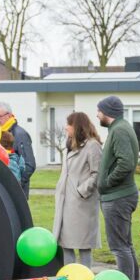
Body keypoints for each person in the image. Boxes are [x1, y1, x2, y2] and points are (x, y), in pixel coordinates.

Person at [96, 95, 140, 280]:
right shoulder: (118, 128)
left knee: (119, 248)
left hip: (118, 197)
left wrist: (106, 183)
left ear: (107, 112)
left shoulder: (120, 130)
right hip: (119, 196)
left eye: (99, 110)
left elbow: (126, 163)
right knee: (126, 246)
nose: (97, 115)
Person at [52, 112, 102, 268]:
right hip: (66, 203)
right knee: (66, 244)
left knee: (83, 246)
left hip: (81, 205)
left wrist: (81, 191)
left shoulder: (92, 145)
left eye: (69, 124)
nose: (66, 127)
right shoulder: (70, 145)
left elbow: (97, 174)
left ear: (77, 126)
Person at [0, 102, 35, 197]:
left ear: (9, 116)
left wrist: (17, 185)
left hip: (15, 194)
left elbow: (29, 165)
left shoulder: (20, 134)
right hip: (0, 192)